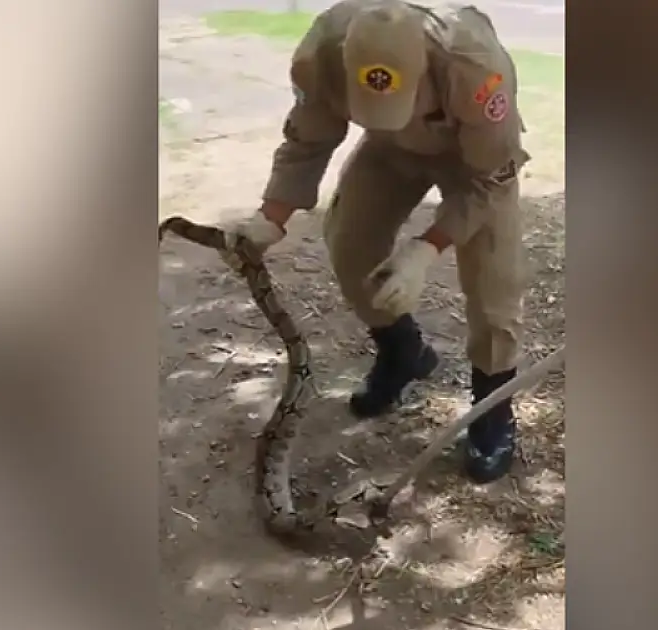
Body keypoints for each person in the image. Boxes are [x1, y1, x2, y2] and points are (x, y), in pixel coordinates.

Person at [222, 0, 529, 484]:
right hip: (388, 151)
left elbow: (489, 177)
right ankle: (403, 352)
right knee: (350, 245)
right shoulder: (322, 52)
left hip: (472, 161)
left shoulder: (476, 69)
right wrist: (270, 218)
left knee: (493, 291)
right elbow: (309, 138)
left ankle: (492, 410)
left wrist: (426, 248)